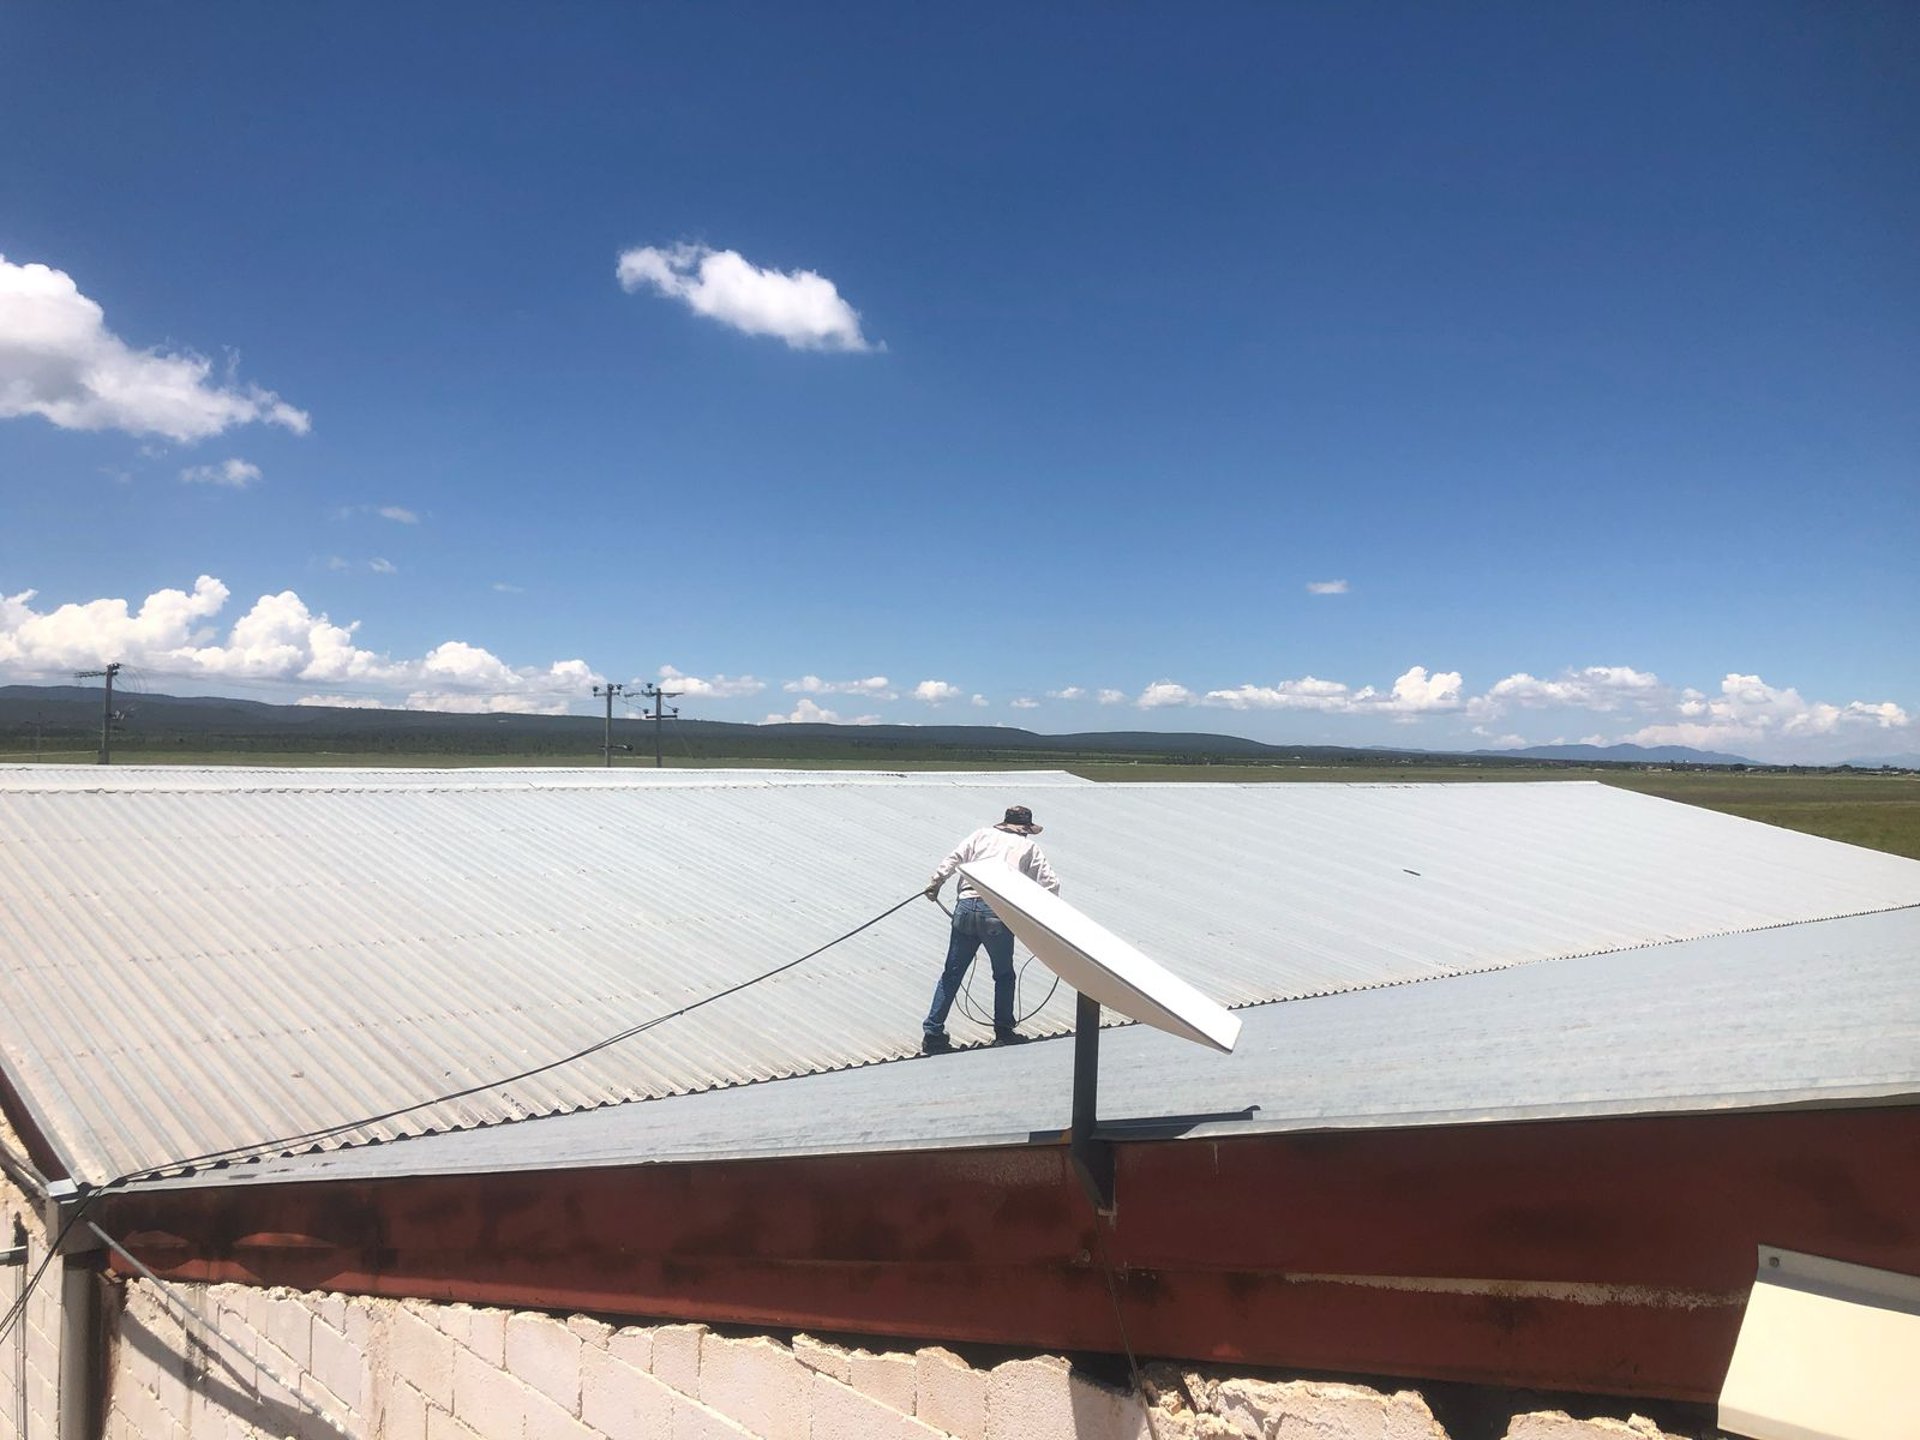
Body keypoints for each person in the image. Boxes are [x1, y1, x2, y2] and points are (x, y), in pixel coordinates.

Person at [920, 804, 1060, 1054]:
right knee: (1004, 975)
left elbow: (954, 858)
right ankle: (1003, 1031)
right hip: (997, 912)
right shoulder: (1029, 847)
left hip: (965, 908)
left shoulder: (981, 835)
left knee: (951, 974)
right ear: (1024, 829)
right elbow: (1050, 883)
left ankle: (933, 1032)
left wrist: (935, 883)